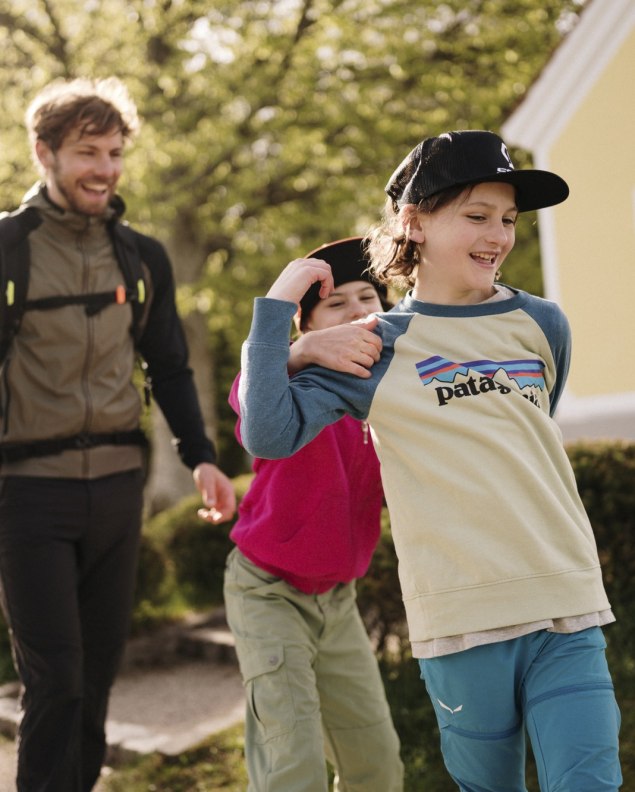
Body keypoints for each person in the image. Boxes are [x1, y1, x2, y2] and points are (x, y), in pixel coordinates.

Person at [236, 130, 622, 791]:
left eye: (506, 219)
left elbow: (528, 438)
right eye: (475, 216)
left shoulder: (542, 323)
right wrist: (280, 326)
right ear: (412, 223)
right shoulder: (373, 347)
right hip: (460, 624)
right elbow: (268, 434)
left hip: (566, 605)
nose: (497, 235)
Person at [0, 77, 236, 792]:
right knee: (58, 678)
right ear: (44, 153)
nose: (103, 169)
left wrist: (201, 457)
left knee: (97, 679)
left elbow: (168, 366)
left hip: (115, 493)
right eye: (86, 152)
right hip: (27, 495)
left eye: (113, 152)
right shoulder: (8, 249)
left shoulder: (142, 258)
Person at [223, 237, 404, 792]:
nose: (357, 313)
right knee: (293, 768)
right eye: (336, 303)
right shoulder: (288, 384)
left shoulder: (395, 392)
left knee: (377, 765)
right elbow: (246, 395)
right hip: (269, 593)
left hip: (338, 600)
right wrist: (296, 352)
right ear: (307, 325)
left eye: (368, 296)